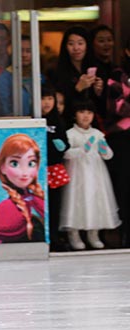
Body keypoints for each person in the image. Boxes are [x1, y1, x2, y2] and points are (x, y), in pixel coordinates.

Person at [60, 100, 120, 250]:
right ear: (75, 115)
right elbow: (66, 153)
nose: (86, 116)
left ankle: (94, 234)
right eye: (82, 112)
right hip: (77, 173)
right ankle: (74, 234)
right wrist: (82, 150)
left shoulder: (97, 134)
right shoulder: (70, 134)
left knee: (96, 200)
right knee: (76, 200)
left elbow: (108, 156)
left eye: (89, 113)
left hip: (96, 173)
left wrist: (104, 148)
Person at [0, 134, 45, 243]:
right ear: (2, 167)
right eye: (15, 163)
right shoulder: (6, 209)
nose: (24, 172)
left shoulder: (39, 200)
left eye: (31, 163)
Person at [104, 38, 130, 247]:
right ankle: (125, 232)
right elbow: (116, 108)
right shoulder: (117, 76)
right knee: (124, 185)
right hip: (123, 137)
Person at [54, 26, 103, 126]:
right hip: (68, 125)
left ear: (87, 45)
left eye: (80, 43)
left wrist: (99, 92)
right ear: (65, 46)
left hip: (92, 127)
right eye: (71, 44)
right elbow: (57, 104)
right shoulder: (56, 72)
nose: (76, 48)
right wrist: (77, 89)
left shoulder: (98, 69)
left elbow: (104, 106)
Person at [42, 85, 71, 251]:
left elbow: (65, 143)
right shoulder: (34, 119)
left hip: (54, 169)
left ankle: (54, 237)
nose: (46, 103)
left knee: (54, 204)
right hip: (38, 170)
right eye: (43, 98)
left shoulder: (58, 121)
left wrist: (62, 146)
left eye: (50, 99)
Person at [0, 35, 37, 116]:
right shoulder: (5, 78)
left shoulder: (39, 76)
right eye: (21, 51)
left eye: (28, 51)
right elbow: (4, 107)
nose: (24, 55)